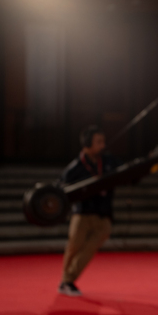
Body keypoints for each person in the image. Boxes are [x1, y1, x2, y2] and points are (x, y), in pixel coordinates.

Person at [57, 125, 117, 296]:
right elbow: (62, 189)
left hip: (102, 213)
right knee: (74, 246)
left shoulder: (107, 161)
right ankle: (66, 281)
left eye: (103, 141)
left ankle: (67, 280)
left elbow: (126, 172)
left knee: (96, 241)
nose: (103, 145)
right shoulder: (75, 168)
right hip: (81, 212)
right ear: (87, 144)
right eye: (99, 142)